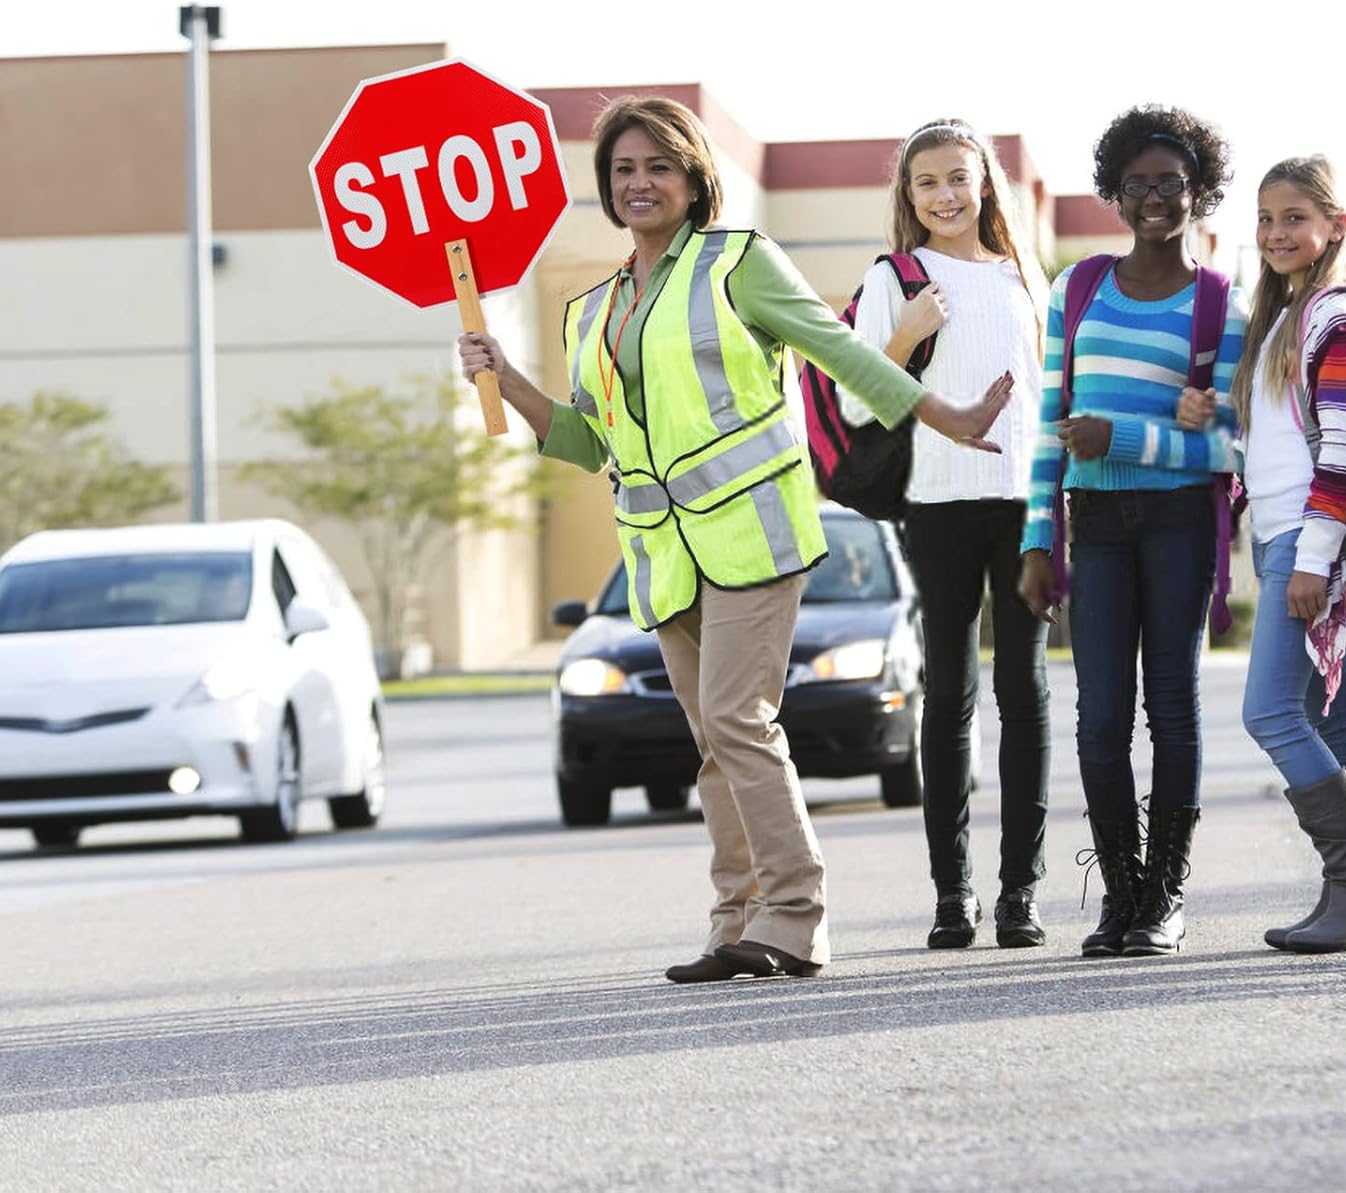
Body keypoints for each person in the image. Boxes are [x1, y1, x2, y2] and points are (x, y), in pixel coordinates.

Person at [456, 97, 1006, 983]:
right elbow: (587, 442)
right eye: (624, 170)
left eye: (658, 167)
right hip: (660, 549)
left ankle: (796, 914)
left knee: (738, 719)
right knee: (712, 737)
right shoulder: (592, 309)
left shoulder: (739, 263)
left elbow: (843, 354)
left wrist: (945, 415)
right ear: (606, 184)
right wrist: (507, 377)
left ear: (693, 178)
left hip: (754, 531)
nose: (640, 183)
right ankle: (735, 917)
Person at [1019, 105, 1247, 957]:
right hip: (1098, 523)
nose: (1156, 197)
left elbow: (1230, 443)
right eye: (1139, 183)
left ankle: (1164, 896)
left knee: (1173, 708)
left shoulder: (1221, 306)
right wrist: (1037, 540)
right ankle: (1119, 892)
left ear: (1200, 193)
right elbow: (1051, 422)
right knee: (1099, 714)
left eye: (1173, 183)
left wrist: (1128, 439)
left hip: (1183, 521)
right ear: (1115, 193)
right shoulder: (1077, 289)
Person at [839, 118, 1051, 950]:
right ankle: (952, 897)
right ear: (908, 195)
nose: (945, 195)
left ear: (985, 182)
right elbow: (860, 400)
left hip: (1027, 505)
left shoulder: (1022, 275)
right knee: (952, 700)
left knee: (1024, 695)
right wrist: (905, 334)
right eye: (926, 183)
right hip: (939, 506)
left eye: (958, 177)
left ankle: (1020, 896)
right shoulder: (897, 277)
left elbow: (1043, 393)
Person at [1182, 156, 1346, 952]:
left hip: (1309, 542)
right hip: (1285, 531)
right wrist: (1215, 420)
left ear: (1334, 226)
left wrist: (1311, 558)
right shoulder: (1288, 315)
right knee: (1332, 714)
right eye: (1266, 219)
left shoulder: (1333, 316)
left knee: (1270, 709)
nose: (1276, 233)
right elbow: (1272, 449)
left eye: (1294, 218)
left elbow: (1341, 451)